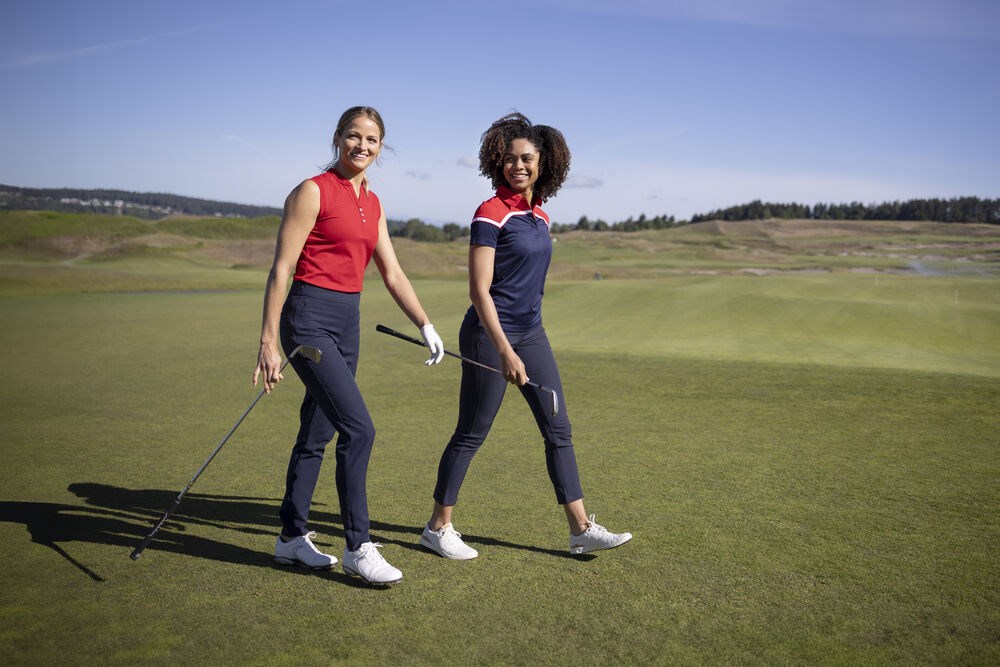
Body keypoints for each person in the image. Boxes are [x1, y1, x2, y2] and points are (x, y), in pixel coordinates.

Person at [419, 112, 632, 560]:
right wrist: (503, 350)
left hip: (532, 333)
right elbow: (479, 291)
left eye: (527, 159)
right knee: (472, 432)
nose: (518, 166)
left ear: (543, 163)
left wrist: (521, 343)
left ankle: (580, 529)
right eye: (511, 159)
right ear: (498, 162)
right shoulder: (490, 214)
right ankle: (437, 527)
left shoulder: (541, 217)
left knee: (558, 428)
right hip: (488, 334)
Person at [253, 106, 445, 584]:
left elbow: (392, 272)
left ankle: (291, 537)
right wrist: (269, 340)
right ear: (338, 138)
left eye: (372, 139)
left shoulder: (373, 203)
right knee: (359, 430)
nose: (362, 145)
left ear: (381, 148)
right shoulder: (312, 191)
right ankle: (359, 545)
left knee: (317, 430)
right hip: (309, 317)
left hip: (348, 320)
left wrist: (424, 323)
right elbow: (282, 268)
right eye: (354, 136)